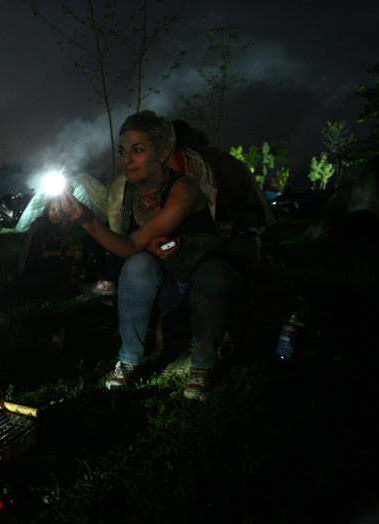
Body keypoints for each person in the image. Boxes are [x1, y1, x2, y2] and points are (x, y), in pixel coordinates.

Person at [61, 110, 243, 400]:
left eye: (138, 150)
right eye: (123, 151)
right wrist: (132, 242)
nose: (127, 159)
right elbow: (124, 245)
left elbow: (131, 243)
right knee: (137, 265)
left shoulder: (183, 188)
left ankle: (203, 363)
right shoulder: (121, 188)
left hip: (200, 277)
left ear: (163, 153)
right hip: (166, 284)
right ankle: (129, 360)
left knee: (215, 275)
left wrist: (87, 221)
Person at [18, 196, 79, 278]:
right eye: (53, 209)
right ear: (48, 210)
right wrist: (62, 253)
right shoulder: (39, 225)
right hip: (36, 263)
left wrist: (72, 252)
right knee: (57, 262)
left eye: (60, 211)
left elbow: (66, 247)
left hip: (56, 258)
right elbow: (37, 253)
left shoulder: (64, 226)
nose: (56, 214)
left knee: (73, 261)